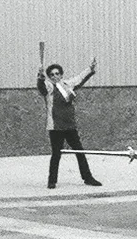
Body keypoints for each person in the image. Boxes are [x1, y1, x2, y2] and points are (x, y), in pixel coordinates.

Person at [37, 58, 101, 189]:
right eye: (52, 75)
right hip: (55, 127)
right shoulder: (49, 87)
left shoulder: (67, 85)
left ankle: (87, 177)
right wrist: (40, 77)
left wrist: (90, 68)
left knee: (79, 152)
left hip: (70, 126)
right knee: (56, 154)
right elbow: (41, 87)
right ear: (49, 77)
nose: (55, 76)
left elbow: (80, 78)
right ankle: (52, 180)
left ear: (61, 75)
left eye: (57, 73)